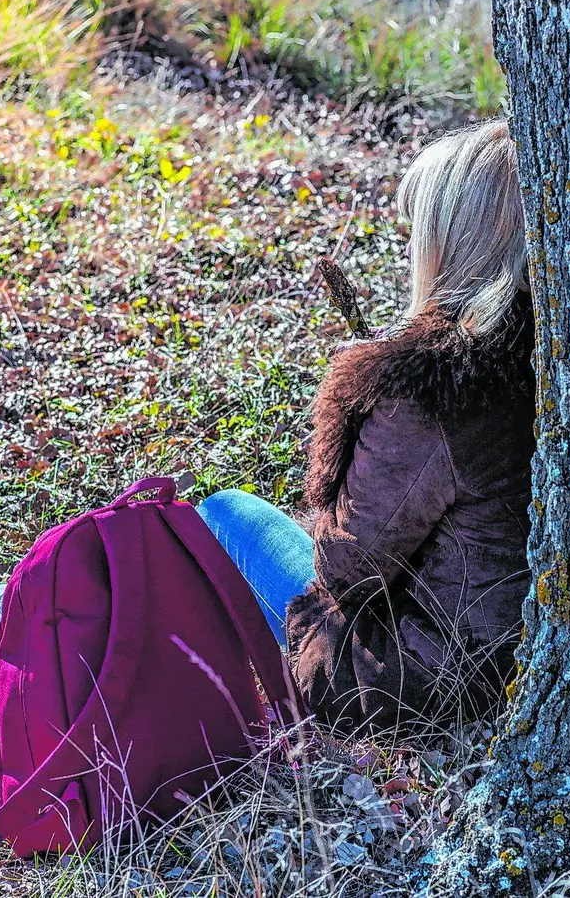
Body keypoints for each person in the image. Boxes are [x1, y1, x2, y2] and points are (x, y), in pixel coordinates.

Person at [198, 119, 537, 732]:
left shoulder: (439, 388)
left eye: (419, 230)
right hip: (509, 657)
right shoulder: (552, 355)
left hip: (413, 682)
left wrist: (349, 424)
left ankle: (39, 627)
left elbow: (347, 567)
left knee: (225, 513)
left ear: (452, 242)